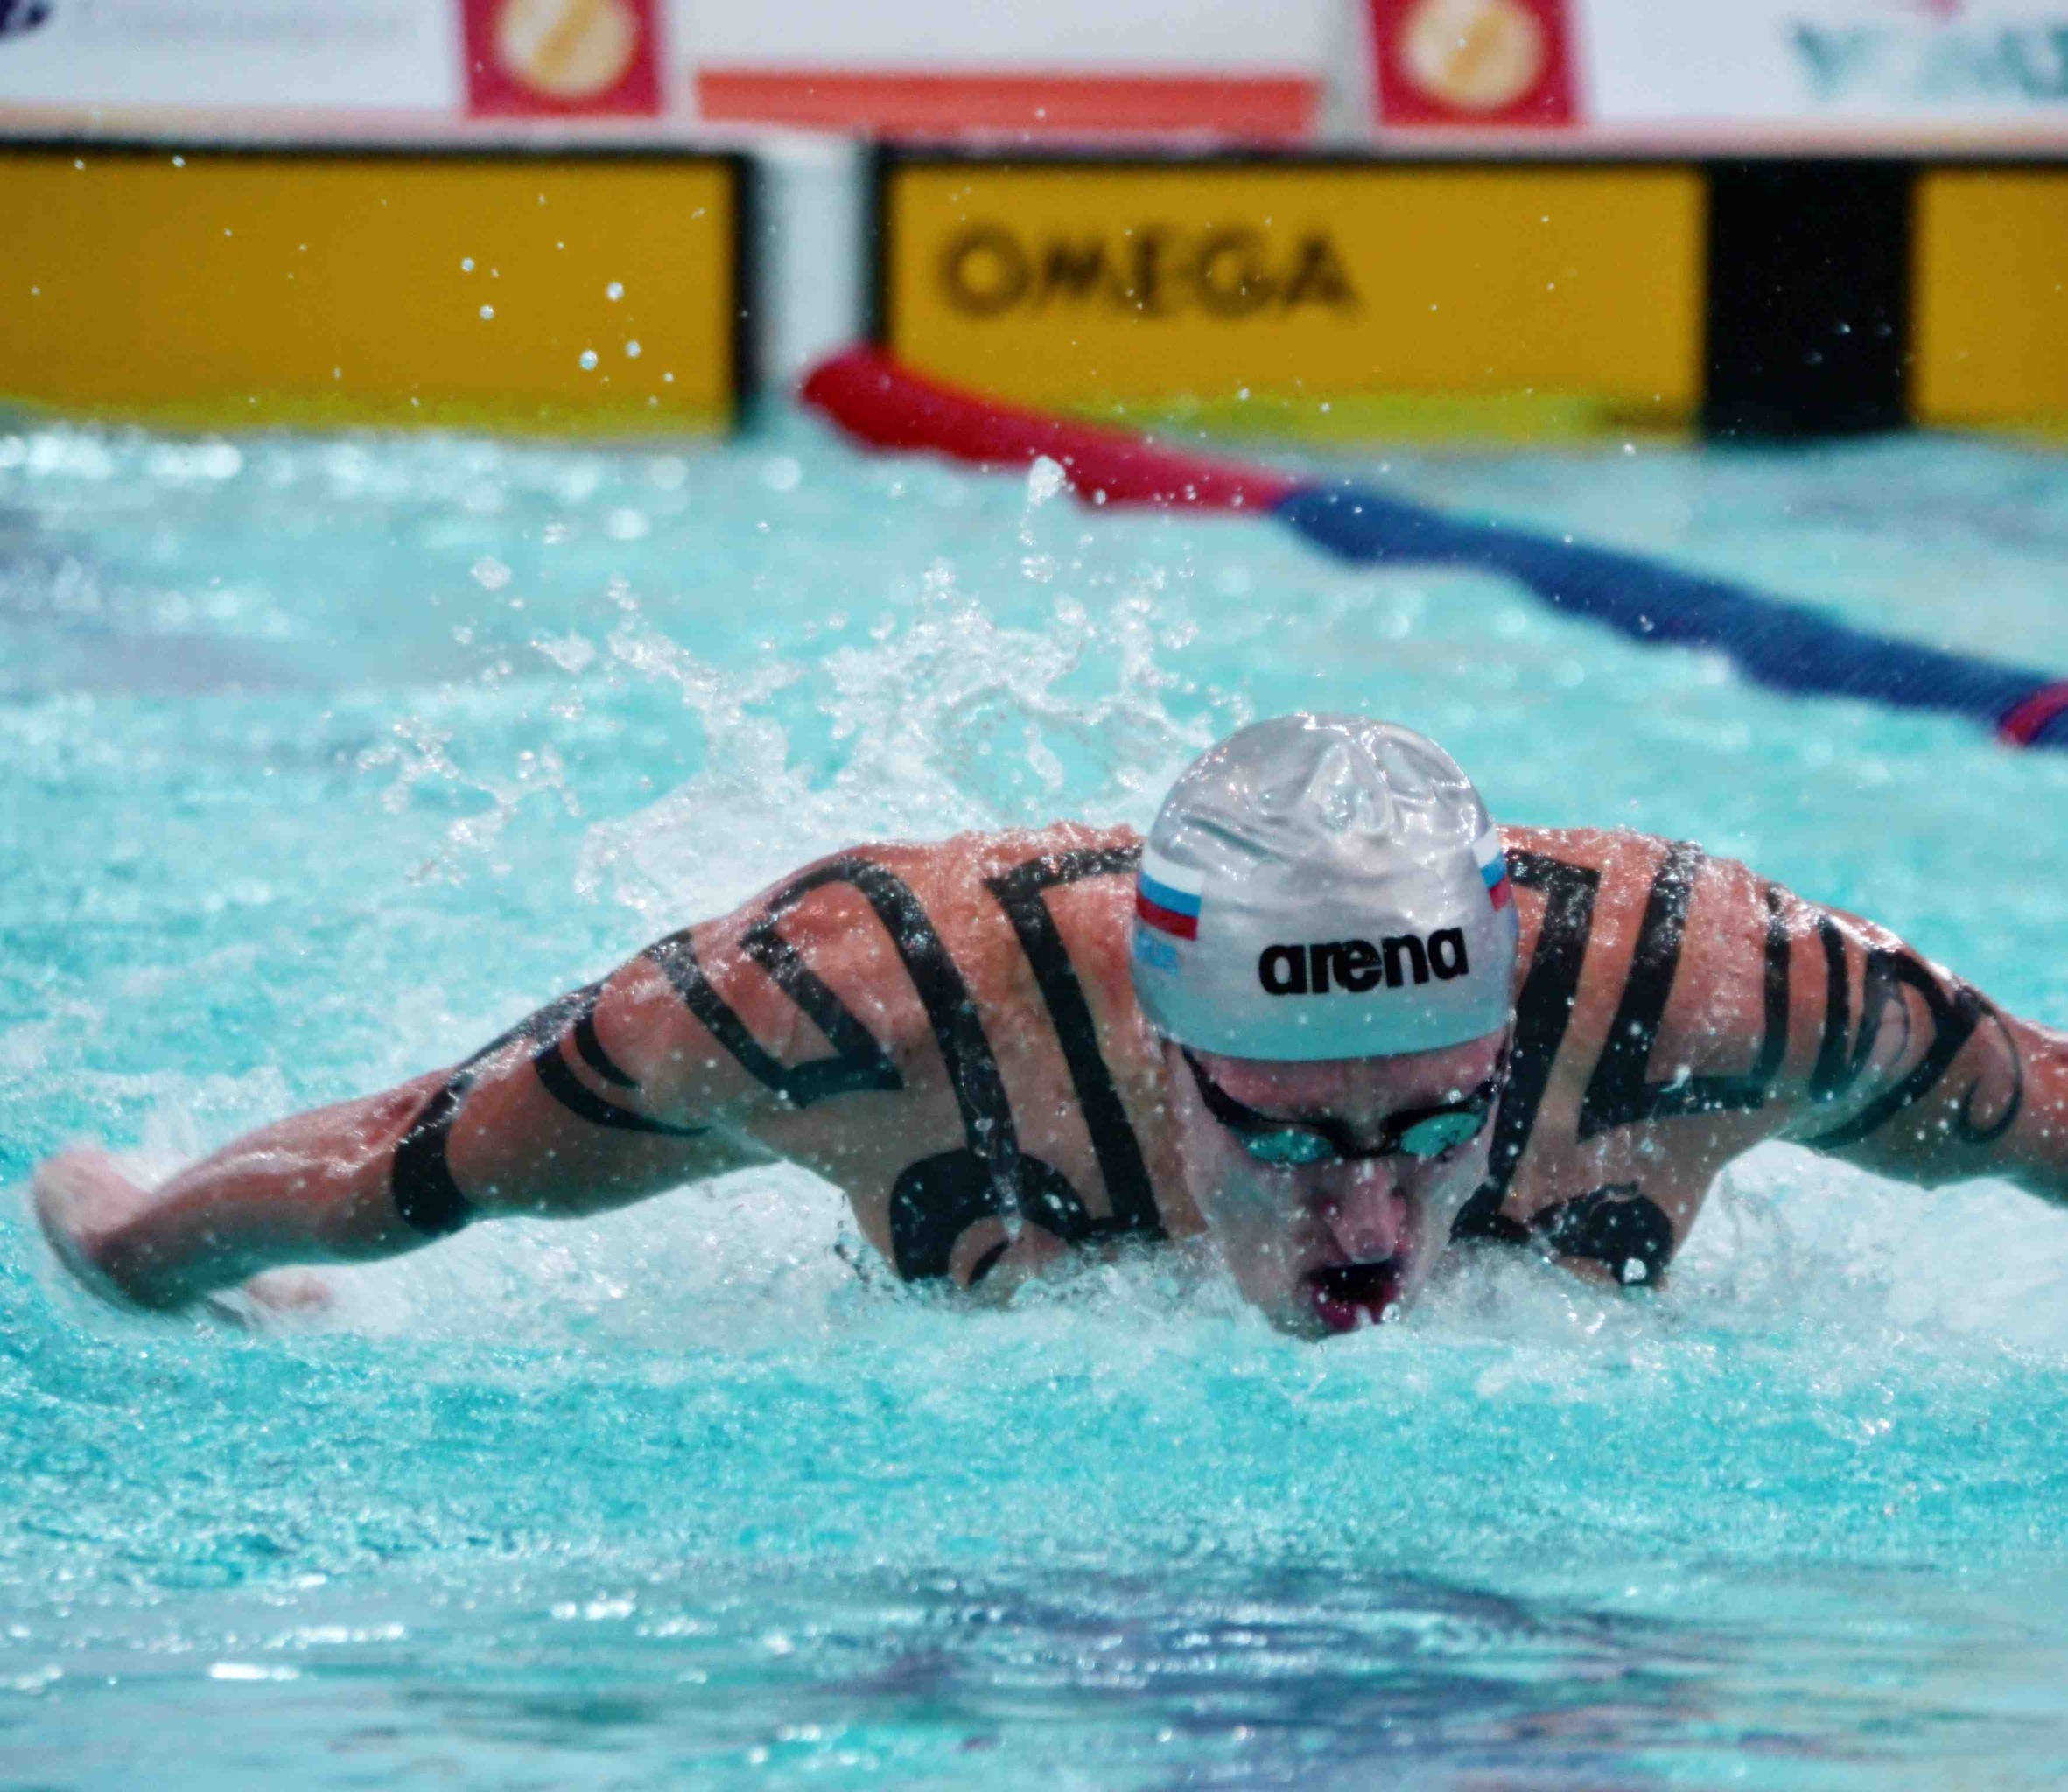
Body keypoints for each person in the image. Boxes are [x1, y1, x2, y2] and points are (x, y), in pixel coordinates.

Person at [32, 715, 2068, 1336]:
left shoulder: (1713, 1000)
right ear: (1157, 1033)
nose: (1368, 1221)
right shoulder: (851, 1017)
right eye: (1285, 1134)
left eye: (1435, 1126)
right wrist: (139, 1248)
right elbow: (400, 1163)